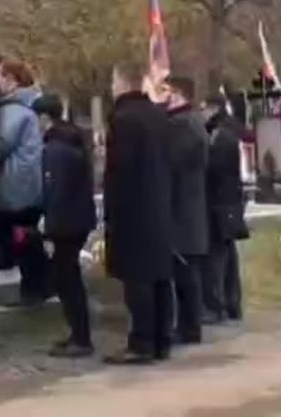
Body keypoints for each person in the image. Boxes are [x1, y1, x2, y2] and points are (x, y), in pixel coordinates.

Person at [103, 61, 173, 364]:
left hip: (133, 209)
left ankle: (141, 342)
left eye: (113, 82)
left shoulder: (124, 119)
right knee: (159, 276)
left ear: (122, 83)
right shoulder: (158, 115)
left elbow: (120, 171)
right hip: (159, 204)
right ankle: (162, 339)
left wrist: (112, 211)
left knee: (137, 279)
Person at [33, 93, 96, 358]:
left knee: (67, 279)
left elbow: (55, 190)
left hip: (66, 222)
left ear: (44, 118)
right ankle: (78, 333)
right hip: (78, 218)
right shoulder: (73, 140)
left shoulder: (55, 149)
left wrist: (49, 228)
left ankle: (81, 337)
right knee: (68, 277)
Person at [0, 59, 47, 304]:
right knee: (25, 236)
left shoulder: (13, 110)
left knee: (18, 235)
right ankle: (36, 286)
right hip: (29, 184)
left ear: (11, 80)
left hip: (14, 185)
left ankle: (36, 287)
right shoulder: (32, 104)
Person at [163, 76, 211, 344]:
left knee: (186, 273)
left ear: (178, 94)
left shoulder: (182, 125)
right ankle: (189, 324)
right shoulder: (191, 121)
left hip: (184, 208)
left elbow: (174, 162)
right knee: (187, 271)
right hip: (189, 206)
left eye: (166, 91)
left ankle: (189, 326)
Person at [202, 94, 248, 322]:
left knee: (217, 258)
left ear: (213, 108)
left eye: (203, 109)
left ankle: (216, 306)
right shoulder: (229, 130)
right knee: (228, 256)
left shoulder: (220, 136)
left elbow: (212, 169)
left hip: (220, 203)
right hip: (230, 202)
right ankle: (232, 305)